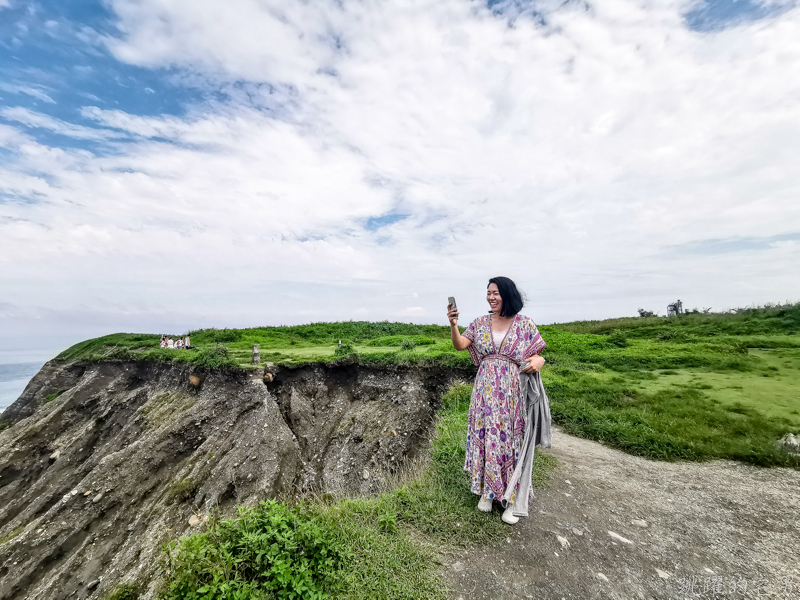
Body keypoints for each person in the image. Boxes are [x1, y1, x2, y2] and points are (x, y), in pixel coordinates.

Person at [447, 276, 546, 525]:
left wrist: (540, 361)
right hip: (485, 390)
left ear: (507, 295)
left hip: (512, 391)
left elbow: (537, 354)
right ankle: (487, 492)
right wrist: (453, 324)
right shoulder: (480, 323)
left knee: (510, 439)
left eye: (496, 293)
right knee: (486, 436)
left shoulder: (524, 324)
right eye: (488, 293)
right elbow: (460, 345)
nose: (491, 297)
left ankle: (512, 498)